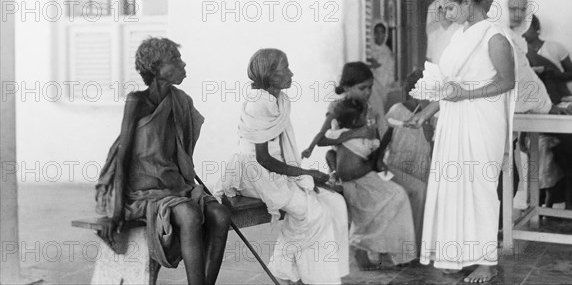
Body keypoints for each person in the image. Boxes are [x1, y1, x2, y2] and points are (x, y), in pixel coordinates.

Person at [95, 37, 231, 285]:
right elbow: (122, 157)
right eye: (175, 60)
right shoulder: (137, 101)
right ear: (155, 67)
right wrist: (115, 211)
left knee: (221, 215)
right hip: (142, 189)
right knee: (189, 215)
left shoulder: (181, 101)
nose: (183, 63)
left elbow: (181, 149)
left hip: (173, 184)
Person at [406, 0, 516, 283]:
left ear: (467, 2)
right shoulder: (460, 36)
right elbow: (449, 85)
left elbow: (507, 82)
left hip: (482, 120)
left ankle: (485, 263)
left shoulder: (494, 37)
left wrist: (465, 96)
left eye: (451, 7)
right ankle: (459, 254)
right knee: (454, 189)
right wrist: (426, 112)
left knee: (479, 188)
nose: (448, 14)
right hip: (454, 120)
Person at [219, 48, 349, 285]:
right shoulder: (258, 103)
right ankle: (284, 271)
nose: (291, 73)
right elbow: (263, 159)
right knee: (312, 213)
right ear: (270, 74)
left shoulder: (279, 99)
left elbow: (280, 153)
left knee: (335, 204)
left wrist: (302, 174)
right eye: (285, 68)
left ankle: (304, 273)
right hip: (254, 173)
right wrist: (306, 173)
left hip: (278, 169)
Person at [304, 62, 417, 271]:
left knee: (397, 196)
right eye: (362, 88)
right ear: (347, 87)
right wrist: (353, 134)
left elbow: (376, 137)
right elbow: (322, 140)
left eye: (370, 88)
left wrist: (379, 158)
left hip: (366, 169)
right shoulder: (337, 108)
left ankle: (386, 251)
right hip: (350, 176)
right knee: (384, 201)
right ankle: (361, 247)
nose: (367, 93)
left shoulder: (369, 109)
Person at [524, 15, 572, 211]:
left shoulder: (555, 48)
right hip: (537, 108)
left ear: (536, 27)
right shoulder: (519, 51)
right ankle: (535, 205)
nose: (522, 31)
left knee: (568, 154)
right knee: (539, 157)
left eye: (526, 26)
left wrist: (551, 72)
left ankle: (569, 203)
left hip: (560, 103)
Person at [383, 68, 432, 253]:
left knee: (419, 204)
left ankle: (413, 248)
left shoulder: (430, 114)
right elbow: (384, 140)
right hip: (398, 166)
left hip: (421, 166)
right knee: (407, 203)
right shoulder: (397, 111)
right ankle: (399, 248)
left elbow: (430, 145)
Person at [368, 21, 395, 114]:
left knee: (379, 111)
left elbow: (390, 71)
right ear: (372, 33)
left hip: (383, 87)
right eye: (377, 32)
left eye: (382, 32)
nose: (379, 35)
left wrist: (377, 65)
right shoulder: (368, 50)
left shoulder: (387, 51)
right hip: (370, 87)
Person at [426, 0, 461, 64]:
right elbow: (430, 58)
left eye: (446, 11)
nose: (443, 15)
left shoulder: (460, 30)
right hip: (437, 71)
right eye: (441, 12)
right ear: (437, 15)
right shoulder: (433, 35)